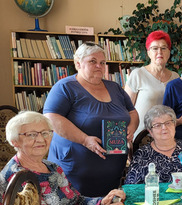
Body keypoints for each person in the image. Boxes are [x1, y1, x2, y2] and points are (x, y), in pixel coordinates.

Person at [0, 111, 129, 205]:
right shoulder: (17, 177)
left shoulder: (52, 167)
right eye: (31, 134)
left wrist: (102, 202)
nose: (41, 139)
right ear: (14, 141)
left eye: (45, 133)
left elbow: (76, 200)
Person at [43, 42, 138, 197]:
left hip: (112, 171)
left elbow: (133, 112)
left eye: (102, 62)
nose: (99, 66)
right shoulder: (65, 87)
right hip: (74, 172)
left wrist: (132, 127)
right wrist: (85, 140)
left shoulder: (114, 87)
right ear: (78, 64)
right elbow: (51, 118)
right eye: (92, 61)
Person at [125, 30, 179, 140]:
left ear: (169, 52)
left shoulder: (175, 77)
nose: (160, 52)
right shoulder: (138, 74)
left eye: (164, 48)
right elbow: (125, 109)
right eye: (154, 48)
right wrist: (128, 138)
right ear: (148, 53)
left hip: (167, 136)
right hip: (141, 136)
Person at [124, 105, 182, 184]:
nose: (164, 127)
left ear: (174, 125)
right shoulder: (142, 154)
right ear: (150, 132)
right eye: (157, 125)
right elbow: (131, 186)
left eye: (168, 123)